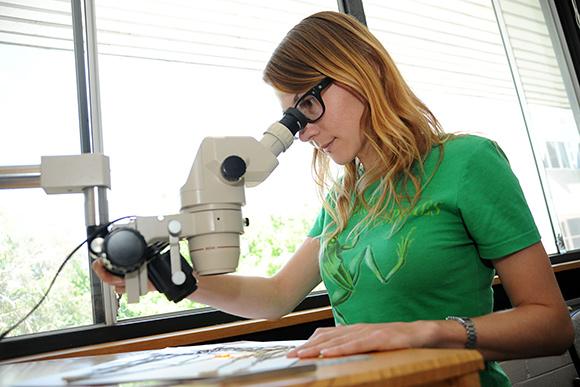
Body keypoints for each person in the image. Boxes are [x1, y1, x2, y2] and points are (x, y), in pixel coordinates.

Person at [93, 11, 574, 386]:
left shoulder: (467, 162)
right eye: (292, 118)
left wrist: (430, 332)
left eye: (307, 106)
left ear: (361, 72)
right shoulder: (346, 196)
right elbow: (277, 297)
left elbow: (552, 326)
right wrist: (177, 281)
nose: (301, 132)